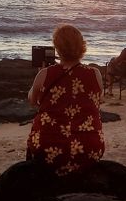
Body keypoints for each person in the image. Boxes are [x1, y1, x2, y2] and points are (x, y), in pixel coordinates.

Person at [27, 24, 105, 176]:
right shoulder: (95, 74)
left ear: (57, 47)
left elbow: (32, 100)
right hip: (88, 148)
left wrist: (41, 75)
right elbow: (98, 99)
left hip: (47, 148)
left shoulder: (45, 74)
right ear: (82, 46)